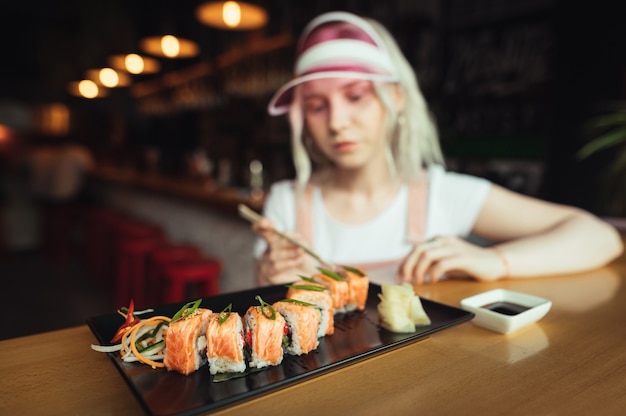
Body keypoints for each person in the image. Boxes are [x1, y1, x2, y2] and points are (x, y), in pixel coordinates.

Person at [251, 11, 623, 286]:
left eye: (356, 96)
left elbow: (598, 237)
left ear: (395, 98)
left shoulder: (441, 196)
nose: (336, 122)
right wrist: (267, 277)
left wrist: (494, 260)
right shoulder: (285, 204)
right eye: (317, 106)